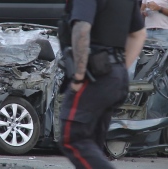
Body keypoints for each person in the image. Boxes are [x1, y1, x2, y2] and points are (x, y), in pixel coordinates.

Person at [58, 0, 146, 168]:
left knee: (73, 139)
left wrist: (78, 76)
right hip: (115, 76)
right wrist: (118, 68)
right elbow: (139, 34)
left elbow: (82, 29)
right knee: (93, 142)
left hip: (93, 77)